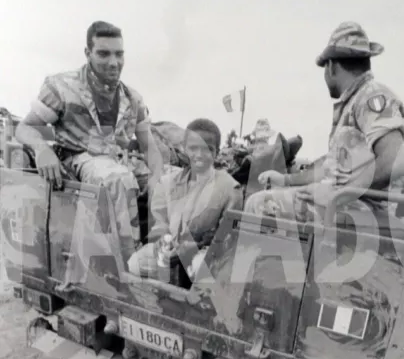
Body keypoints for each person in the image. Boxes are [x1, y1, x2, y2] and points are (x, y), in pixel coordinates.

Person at [15, 21, 163, 262]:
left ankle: (166, 254)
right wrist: (42, 149)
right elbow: (25, 128)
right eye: (104, 54)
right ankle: (131, 266)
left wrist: (158, 178)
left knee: (174, 180)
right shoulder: (63, 87)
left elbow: (150, 147)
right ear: (88, 53)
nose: (114, 62)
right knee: (118, 179)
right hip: (79, 160)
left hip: (118, 160)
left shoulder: (132, 98)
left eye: (119, 54)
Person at [245, 22, 404, 225]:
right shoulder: (355, 101)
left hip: (373, 211)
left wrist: (337, 194)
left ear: (331, 66)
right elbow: (330, 168)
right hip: (358, 205)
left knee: (259, 204)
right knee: (279, 196)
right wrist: (285, 180)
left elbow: (397, 163)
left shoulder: (372, 97)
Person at [128, 118, 243, 280]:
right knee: (135, 263)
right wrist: (162, 243)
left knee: (200, 268)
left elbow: (228, 239)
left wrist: (194, 248)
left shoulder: (230, 188)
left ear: (216, 152)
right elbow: (159, 225)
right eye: (193, 148)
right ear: (183, 148)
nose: (199, 155)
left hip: (205, 254)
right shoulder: (168, 182)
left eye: (207, 149)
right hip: (171, 250)